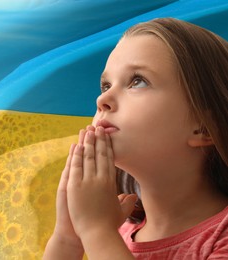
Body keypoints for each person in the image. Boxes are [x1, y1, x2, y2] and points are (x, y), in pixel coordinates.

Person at [43, 17, 228, 259]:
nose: (102, 100)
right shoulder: (114, 232)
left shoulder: (104, 235)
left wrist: (95, 231)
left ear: (204, 128)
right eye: (106, 85)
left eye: (137, 81)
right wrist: (68, 237)